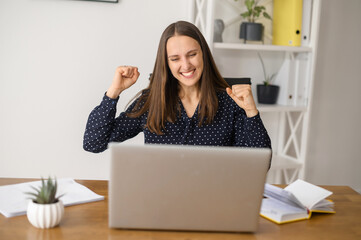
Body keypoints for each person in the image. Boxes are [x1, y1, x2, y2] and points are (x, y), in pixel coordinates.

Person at [83, 21, 271, 153]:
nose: (186, 65)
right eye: (175, 59)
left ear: (203, 54)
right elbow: (93, 143)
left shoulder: (230, 102)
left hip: (214, 199)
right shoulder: (151, 101)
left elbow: (259, 164)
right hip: (163, 200)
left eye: (192, 54)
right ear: (166, 63)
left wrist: (251, 113)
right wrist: (113, 93)